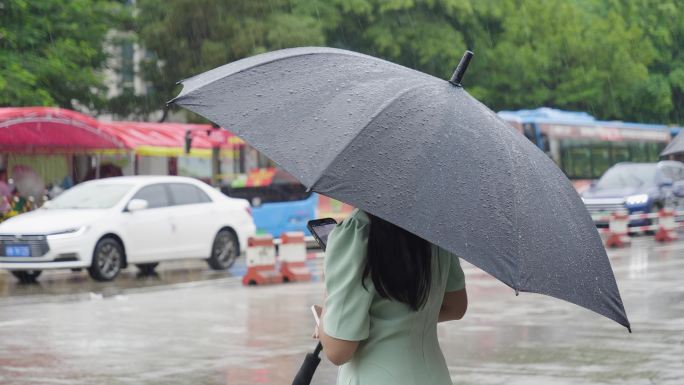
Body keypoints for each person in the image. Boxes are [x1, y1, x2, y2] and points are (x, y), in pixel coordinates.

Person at [314, 209, 468, 385]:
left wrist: (328, 305)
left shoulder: (358, 229)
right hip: (434, 375)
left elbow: (338, 350)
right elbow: (456, 307)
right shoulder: (434, 226)